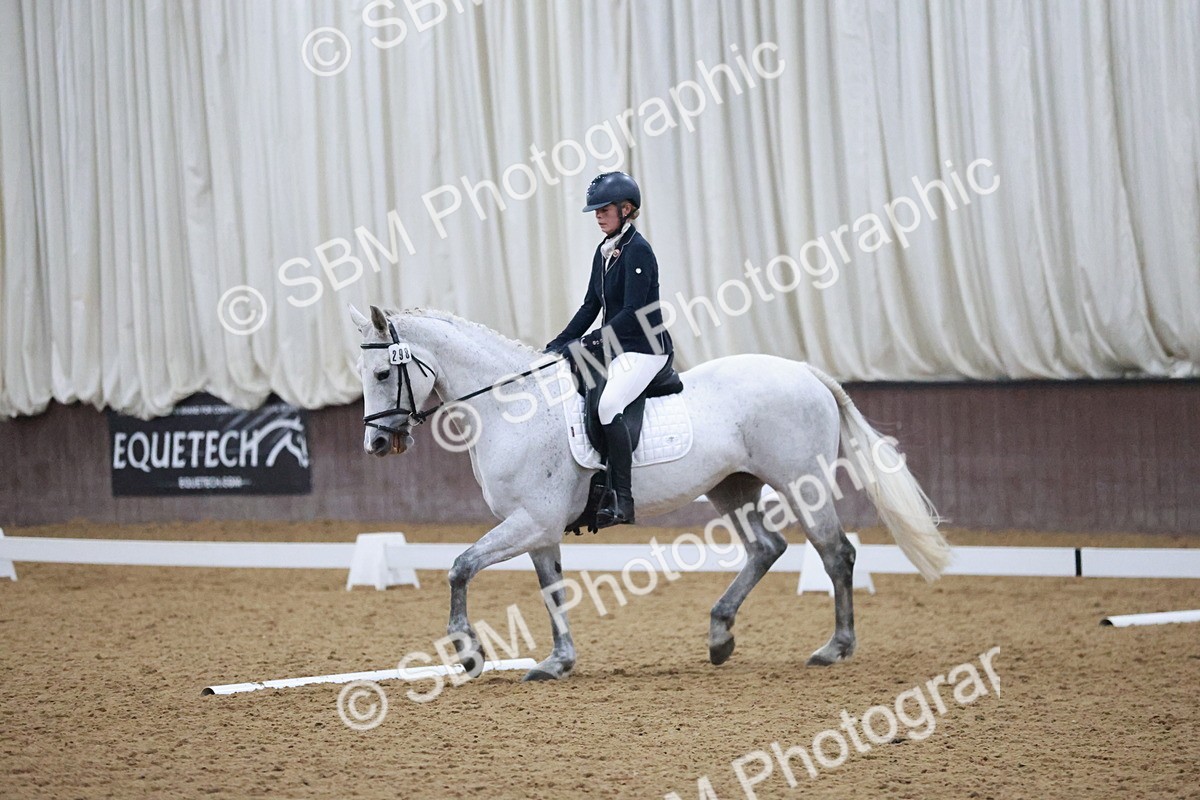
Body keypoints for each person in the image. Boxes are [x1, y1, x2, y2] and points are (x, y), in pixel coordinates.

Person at [543, 171, 674, 527]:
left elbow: (632, 314)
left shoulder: (639, 251)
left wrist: (588, 342)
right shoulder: (604, 252)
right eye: (596, 210)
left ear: (626, 209)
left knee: (608, 404)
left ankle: (622, 498)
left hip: (644, 347)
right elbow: (590, 306)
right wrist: (556, 344)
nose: (598, 216)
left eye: (604, 209)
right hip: (616, 345)